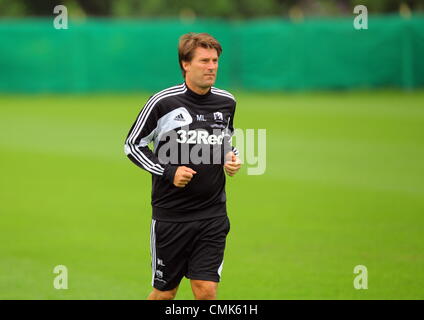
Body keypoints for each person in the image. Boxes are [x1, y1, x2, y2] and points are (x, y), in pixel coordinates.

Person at [124, 32, 241, 300]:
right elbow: (132, 145)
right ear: (185, 64)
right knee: (165, 293)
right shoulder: (163, 102)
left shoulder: (227, 101)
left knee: (206, 290)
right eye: (204, 61)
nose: (211, 67)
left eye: (214, 61)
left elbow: (224, 139)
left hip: (212, 214)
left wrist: (231, 157)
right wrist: (169, 171)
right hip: (171, 217)